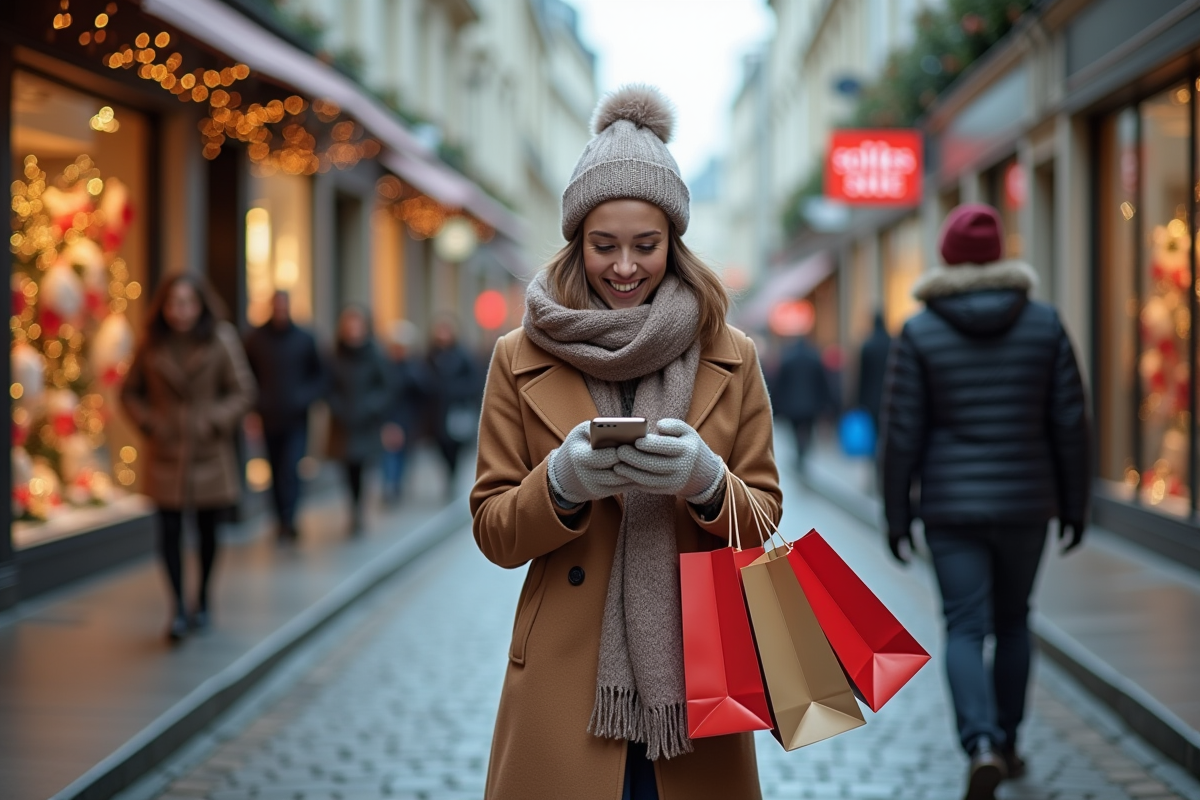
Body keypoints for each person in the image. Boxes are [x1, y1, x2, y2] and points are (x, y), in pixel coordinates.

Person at [471, 85, 782, 800]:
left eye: (646, 246)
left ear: (674, 242)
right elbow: (493, 529)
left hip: (699, 669)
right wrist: (560, 485)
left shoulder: (731, 353)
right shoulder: (518, 356)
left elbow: (763, 519)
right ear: (576, 241)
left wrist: (707, 481)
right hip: (566, 675)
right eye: (603, 245)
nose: (624, 267)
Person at [879, 203, 1090, 800]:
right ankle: (1010, 742)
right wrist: (1075, 505)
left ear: (947, 257)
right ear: (1000, 254)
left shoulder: (920, 331)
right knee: (1014, 621)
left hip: (951, 509)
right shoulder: (1045, 324)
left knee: (965, 625)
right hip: (1028, 502)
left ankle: (980, 745)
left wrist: (897, 514)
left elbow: (901, 432)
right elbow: (1070, 422)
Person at [120, 274, 256, 642]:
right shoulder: (152, 342)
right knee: (169, 531)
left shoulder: (221, 338)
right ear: (163, 307)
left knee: (209, 531)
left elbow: (243, 391)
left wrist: (214, 421)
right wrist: (152, 424)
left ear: (200, 305)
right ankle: (178, 606)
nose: (180, 311)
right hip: (166, 452)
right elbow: (129, 392)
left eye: (187, 303)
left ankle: (204, 599)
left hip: (208, 452)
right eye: (173, 303)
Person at [243, 291, 325, 542]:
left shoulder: (304, 339)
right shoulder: (256, 339)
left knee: (290, 468)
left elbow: (320, 376)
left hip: (296, 418)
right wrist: (258, 403)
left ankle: (290, 518)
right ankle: (279, 519)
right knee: (274, 468)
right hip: (269, 417)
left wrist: (303, 398)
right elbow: (245, 374)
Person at [327, 305, 390, 533]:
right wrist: (337, 407)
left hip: (366, 423)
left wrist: (371, 407)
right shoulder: (335, 356)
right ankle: (352, 507)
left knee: (363, 468)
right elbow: (327, 385)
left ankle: (359, 509)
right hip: (343, 424)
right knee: (346, 469)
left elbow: (387, 386)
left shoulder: (375, 355)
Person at [425, 316, 481, 495]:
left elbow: (474, 382)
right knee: (440, 446)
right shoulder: (431, 355)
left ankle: (452, 475)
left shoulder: (462, 355)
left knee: (455, 445)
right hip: (436, 411)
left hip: (456, 410)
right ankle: (448, 473)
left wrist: (456, 391)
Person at [381, 320, 427, 502]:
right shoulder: (385, 366)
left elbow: (424, 391)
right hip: (389, 417)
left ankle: (398, 484)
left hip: (409, 419)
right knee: (390, 454)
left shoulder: (414, 366)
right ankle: (390, 487)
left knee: (405, 455)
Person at [773, 331, 832, 463]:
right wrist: (827, 403)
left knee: (795, 431)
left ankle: (800, 451)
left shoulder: (787, 358)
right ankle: (803, 451)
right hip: (811, 404)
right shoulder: (814, 358)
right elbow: (823, 382)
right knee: (808, 430)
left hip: (791, 404)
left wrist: (777, 404)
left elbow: (780, 384)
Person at [856, 311, 892, 426]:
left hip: (871, 397)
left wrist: (859, 400)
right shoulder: (891, 343)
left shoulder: (868, 346)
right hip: (889, 394)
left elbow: (863, 376)